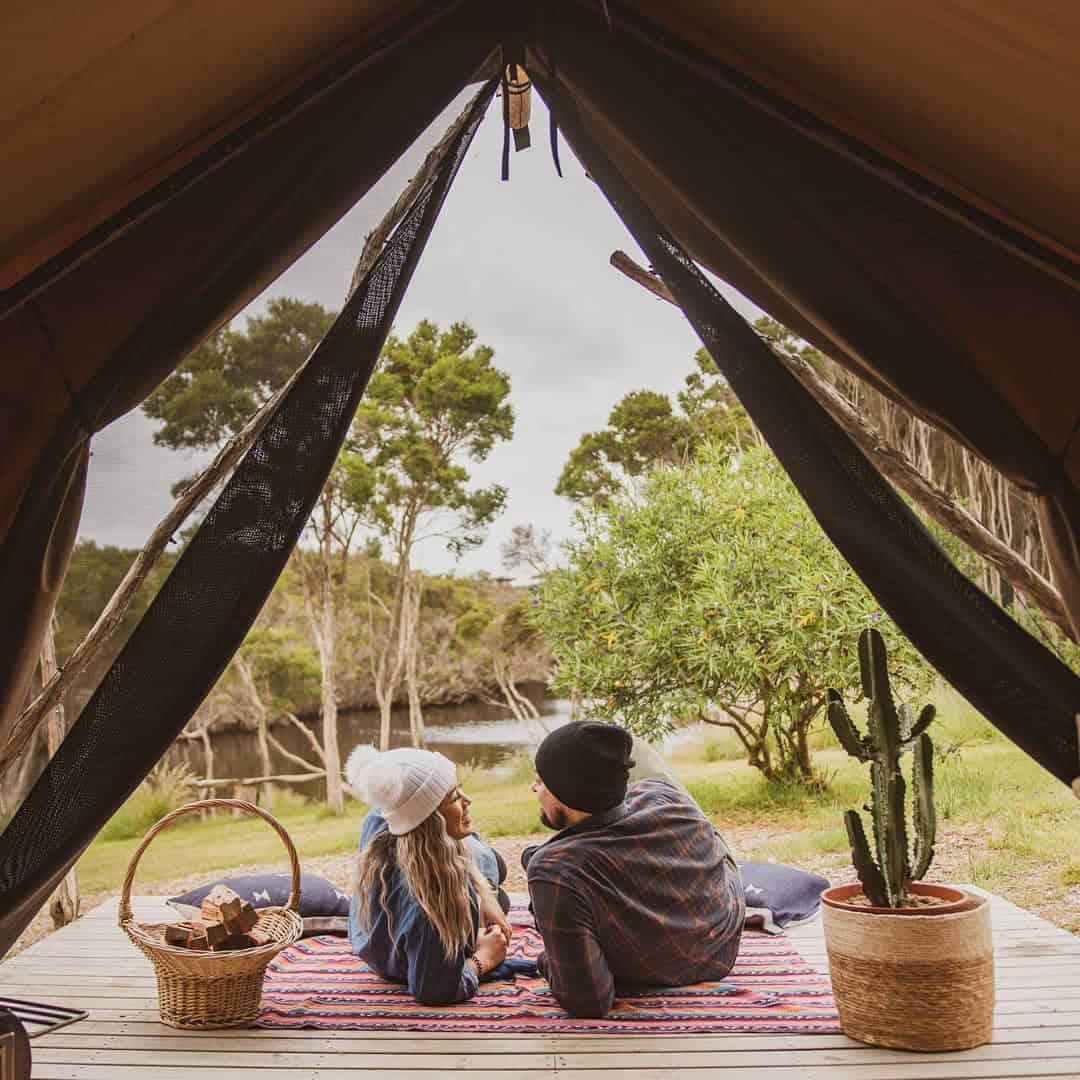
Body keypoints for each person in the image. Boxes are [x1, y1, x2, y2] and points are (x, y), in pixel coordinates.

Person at [523, 722, 745, 1018]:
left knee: (548, 870)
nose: (533, 788)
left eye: (540, 781)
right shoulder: (666, 796)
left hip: (674, 965)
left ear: (564, 790)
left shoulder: (555, 870)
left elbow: (588, 1001)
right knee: (707, 834)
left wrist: (547, 959)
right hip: (721, 945)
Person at [346, 745, 512, 1005]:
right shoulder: (436, 899)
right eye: (454, 797)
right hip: (405, 960)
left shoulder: (386, 816)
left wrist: (485, 895)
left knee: (489, 872)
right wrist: (484, 958)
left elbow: (439, 842)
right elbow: (435, 990)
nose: (468, 800)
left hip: (378, 946)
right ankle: (490, 873)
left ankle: (488, 878)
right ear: (431, 824)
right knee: (494, 874)